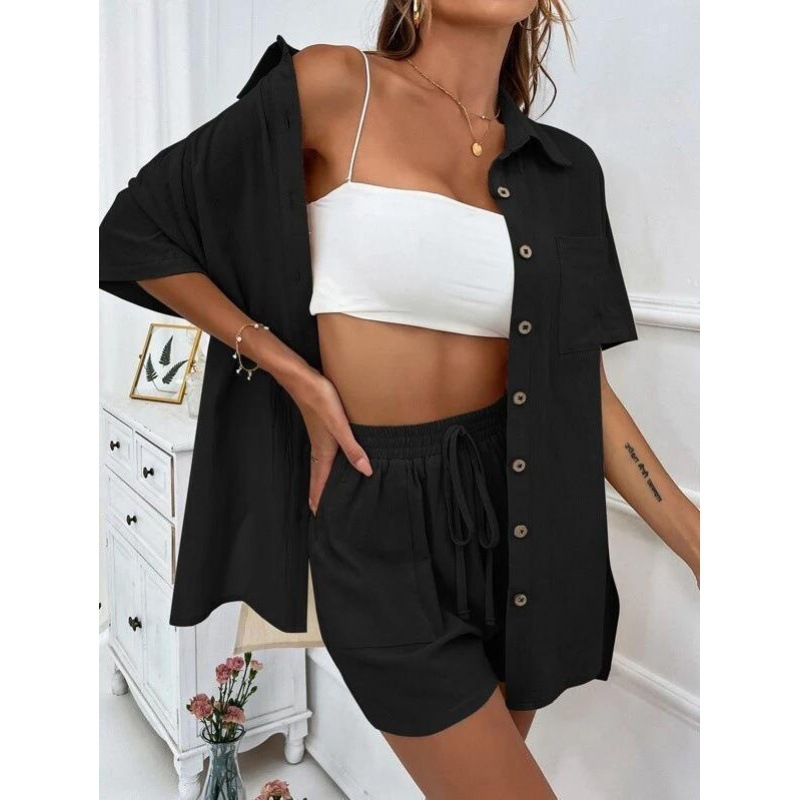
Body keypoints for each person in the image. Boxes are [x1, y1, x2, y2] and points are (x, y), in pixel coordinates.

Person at [99, 2, 700, 796]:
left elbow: (583, 393)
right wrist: (292, 372)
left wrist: (698, 539)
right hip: (377, 521)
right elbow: (134, 231)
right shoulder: (336, 86)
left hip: (526, 520)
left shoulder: (564, 171)